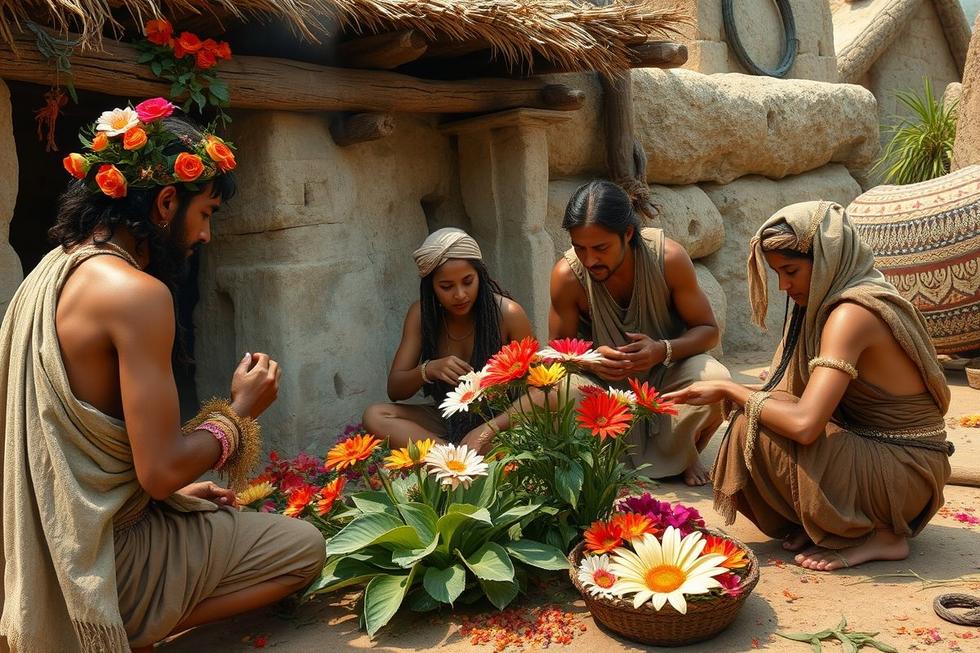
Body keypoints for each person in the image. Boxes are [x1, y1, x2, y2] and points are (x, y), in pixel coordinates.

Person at [0, 100, 325, 653]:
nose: (206, 237)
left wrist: (159, 499)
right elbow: (160, 471)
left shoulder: (50, 272)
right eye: (207, 214)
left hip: (33, 559)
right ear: (167, 201)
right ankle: (112, 629)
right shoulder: (139, 296)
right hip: (98, 564)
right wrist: (238, 412)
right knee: (304, 547)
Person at [664, 200, 953, 572]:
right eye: (776, 274)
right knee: (761, 412)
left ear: (828, 258)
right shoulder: (823, 306)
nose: (784, 286)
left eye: (791, 271)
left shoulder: (852, 314)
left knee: (751, 425)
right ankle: (825, 524)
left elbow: (805, 425)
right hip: (882, 454)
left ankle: (883, 535)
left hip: (905, 472)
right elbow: (789, 398)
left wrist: (730, 390)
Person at [549, 180, 731, 485]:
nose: (590, 259)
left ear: (628, 234)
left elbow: (708, 331)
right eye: (580, 248)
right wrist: (592, 359)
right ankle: (619, 462)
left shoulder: (668, 259)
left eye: (601, 248)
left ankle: (684, 452)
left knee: (716, 380)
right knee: (557, 390)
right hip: (604, 394)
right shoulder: (567, 276)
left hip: (665, 379)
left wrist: (662, 350)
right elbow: (557, 355)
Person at [363, 227, 534, 451]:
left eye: (467, 281)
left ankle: (457, 461)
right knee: (375, 416)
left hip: (500, 423)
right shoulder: (421, 315)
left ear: (480, 277)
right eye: (446, 287)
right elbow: (395, 389)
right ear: (431, 288)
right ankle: (451, 459)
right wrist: (429, 369)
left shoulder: (509, 314)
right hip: (449, 419)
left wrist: (490, 428)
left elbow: (536, 393)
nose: (460, 294)